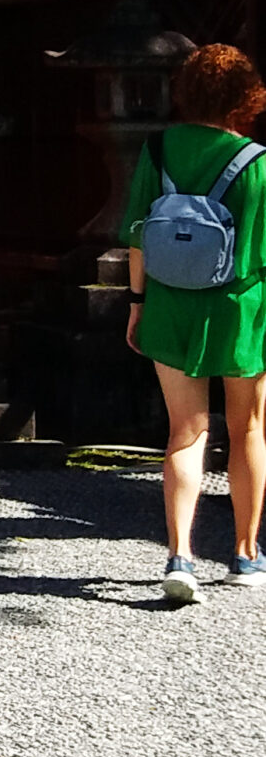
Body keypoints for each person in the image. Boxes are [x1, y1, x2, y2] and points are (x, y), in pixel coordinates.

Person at [123, 41, 266, 603]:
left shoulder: (158, 149)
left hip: (169, 301)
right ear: (245, 96)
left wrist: (136, 303)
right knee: (247, 428)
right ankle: (245, 553)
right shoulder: (256, 160)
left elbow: (138, 236)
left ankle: (180, 554)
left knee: (185, 430)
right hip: (240, 306)